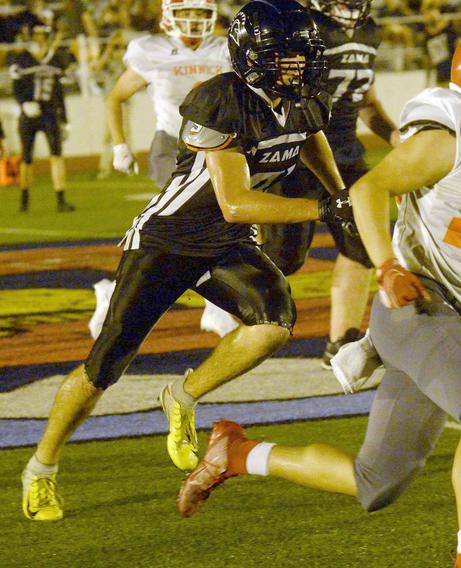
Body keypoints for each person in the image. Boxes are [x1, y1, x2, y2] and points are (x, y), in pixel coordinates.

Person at [177, 21, 461, 568]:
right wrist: (387, 268)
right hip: (415, 305)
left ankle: (239, 454)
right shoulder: (459, 129)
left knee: (377, 482)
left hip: (452, 318)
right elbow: (370, 189)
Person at [21, 0, 356, 521]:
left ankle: (182, 393)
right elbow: (235, 201)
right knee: (103, 368)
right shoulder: (222, 98)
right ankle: (41, 467)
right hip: (167, 239)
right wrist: (328, 207)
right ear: (250, 55)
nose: (296, 66)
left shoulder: (306, 98)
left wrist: (340, 190)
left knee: (273, 324)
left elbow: (309, 138)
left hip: (227, 242)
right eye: (283, 56)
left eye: (302, 56)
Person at [259, 0, 400, 368]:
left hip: (347, 157)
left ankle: (342, 341)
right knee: (283, 259)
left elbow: (365, 101)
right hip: (296, 156)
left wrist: (396, 135)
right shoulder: (298, 25)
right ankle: (231, 313)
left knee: (363, 245)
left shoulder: (370, 30)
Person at [89, 0, 235, 340]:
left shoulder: (223, 48)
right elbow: (115, 98)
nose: (195, 20)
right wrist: (120, 145)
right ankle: (215, 304)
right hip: (173, 147)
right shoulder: (151, 50)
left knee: (187, 231)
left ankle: (114, 292)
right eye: (188, 12)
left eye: (201, 13)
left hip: (220, 147)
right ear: (169, 15)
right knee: (209, 219)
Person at [9, 24, 75, 213]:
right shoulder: (22, 59)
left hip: (50, 113)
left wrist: (65, 118)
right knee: (27, 157)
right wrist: (23, 104)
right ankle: (24, 199)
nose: (39, 39)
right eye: (37, 35)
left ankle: (61, 198)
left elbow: (59, 92)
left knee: (56, 155)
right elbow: (16, 87)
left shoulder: (56, 59)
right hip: (29, 114)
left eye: (42, 35)